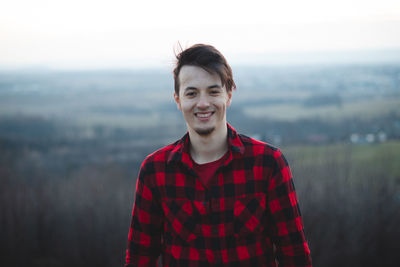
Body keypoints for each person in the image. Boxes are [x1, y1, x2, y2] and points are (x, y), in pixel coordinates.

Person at [125, 44, 312, 266]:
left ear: (229, 95)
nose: (203, 103)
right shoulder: (155, 171)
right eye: (192, 93)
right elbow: (139, 259)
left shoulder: (268, 163)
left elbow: (295, 256)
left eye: (213, 91)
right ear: (178, 100)